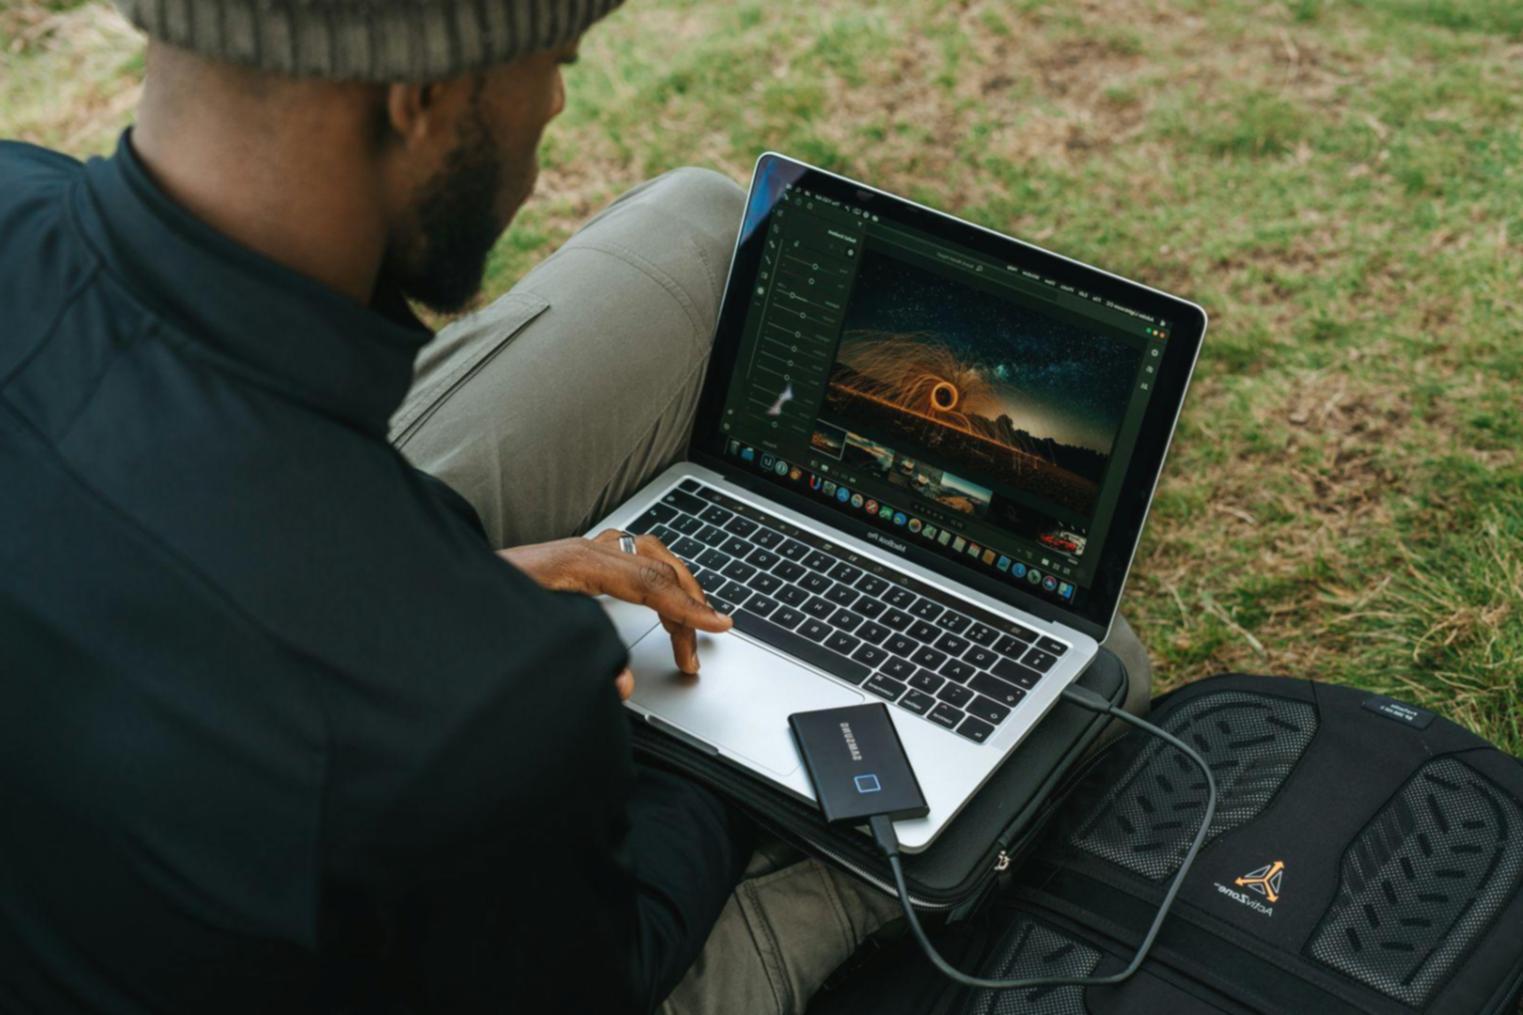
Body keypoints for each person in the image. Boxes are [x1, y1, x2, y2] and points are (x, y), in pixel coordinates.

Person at [0, 1, 1154, 1011]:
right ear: (420, 95)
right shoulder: (469, 716)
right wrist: (736, 764)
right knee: (1096, 678)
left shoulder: (15, 196)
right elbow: (608, 966)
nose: (553, 104)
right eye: (552, 59)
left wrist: (466, 588)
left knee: (713, 224)